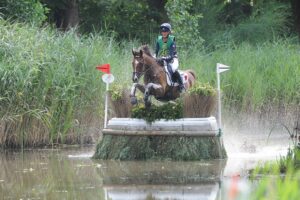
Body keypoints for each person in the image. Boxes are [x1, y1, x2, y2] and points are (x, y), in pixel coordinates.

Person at [155, 23, 185, 92]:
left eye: (165, 31)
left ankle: (181, 86)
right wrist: (154, 57)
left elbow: (171, 55)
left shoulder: (172, 40)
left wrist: (163, 58)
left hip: (172, 59)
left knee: (174, 69)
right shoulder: (159, 40)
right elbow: (156, 51)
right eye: (162, 31)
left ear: (168, 32)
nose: (164, 33)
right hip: (162, 59)